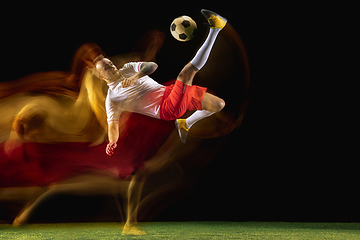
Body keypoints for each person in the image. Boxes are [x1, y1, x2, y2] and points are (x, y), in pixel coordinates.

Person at [94, 10, 227, 160]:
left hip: (169, 92)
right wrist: (112, 142)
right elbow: (113, 125)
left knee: (219, 104)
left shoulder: (128, 68)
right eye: (106, 67)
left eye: (110, 63)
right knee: (186, 74)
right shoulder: (112, 99)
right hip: (166, 108)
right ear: (101, 76)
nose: (111, 66)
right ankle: (216, 28)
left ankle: (185, 123)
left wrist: (135, 76)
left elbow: (152, 66)